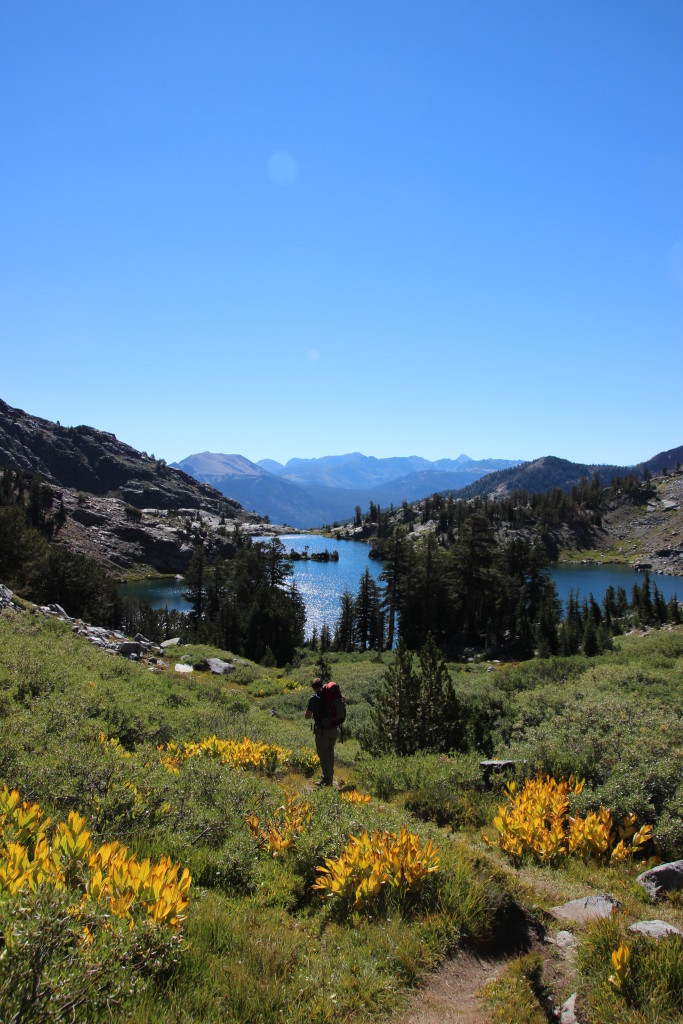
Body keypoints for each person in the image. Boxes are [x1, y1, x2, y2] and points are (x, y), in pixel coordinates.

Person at [305, 677, 338, 786]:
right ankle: (330, 777)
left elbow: (307, 716)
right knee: (330, 752)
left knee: (323, 754)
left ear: (313, 688)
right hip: (334, 729)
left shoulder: (314, 698)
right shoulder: (330, 695)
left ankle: (326, 780)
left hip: (322, 731)